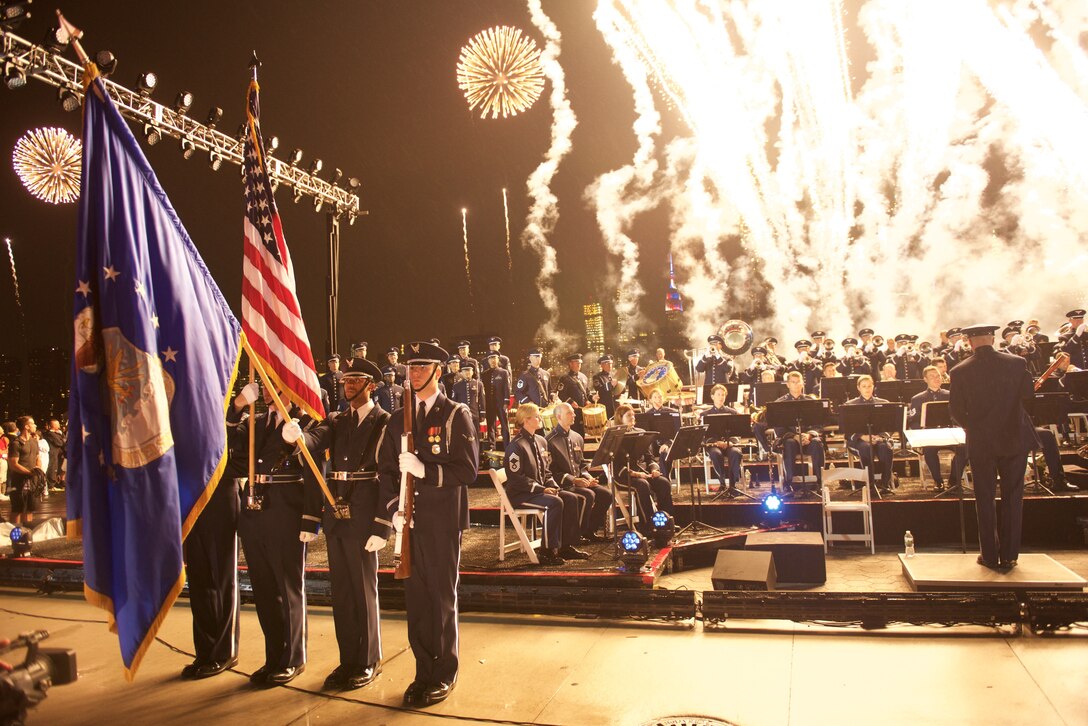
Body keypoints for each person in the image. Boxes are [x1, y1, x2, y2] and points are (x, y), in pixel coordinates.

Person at [376, 341, 479, 707]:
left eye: (422, 367)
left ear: (438, 370)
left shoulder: (454, 413)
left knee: (440, 597)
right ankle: (422, 669)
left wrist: (425, 471)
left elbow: (468, 469)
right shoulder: (396, 418)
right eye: (411, 367)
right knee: (416, 599)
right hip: (410, 523)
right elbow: (386, 470)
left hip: (441, 521)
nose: (413, 373)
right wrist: (393, 508)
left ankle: (444, 671)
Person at [284, 360, 389, 690]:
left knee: (363, 589)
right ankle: (348, 660)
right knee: (341, 592)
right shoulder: (336, 420)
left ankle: (370, 659)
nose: (348, 384)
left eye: (355, 379)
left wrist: (382, 524)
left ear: (370, 385)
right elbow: (316, 441)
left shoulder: (383, 421)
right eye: (346, 380)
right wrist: (297, 436)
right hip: (336, 511)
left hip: (364, 511)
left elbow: (388, 475)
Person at [227, 382, 319, 685]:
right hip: (254, 511)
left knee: (289, 586)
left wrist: (309, 520)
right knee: (264, 588)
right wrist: (238, 406)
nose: (266, 392)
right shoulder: (256, 421)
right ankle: (273, 657)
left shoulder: (305, 423)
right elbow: (226, 439)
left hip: (286, 510)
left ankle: (294, 658)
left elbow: (314, 473)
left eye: (273, 386)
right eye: (263, 386)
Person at [950, 323, 1037, 571]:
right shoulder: (1017, 364)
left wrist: (974, 428)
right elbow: (1029, 398)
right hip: (1013, 438)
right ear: (992, 337)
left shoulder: (959, 371)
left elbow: (956, 411)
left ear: (969, 342)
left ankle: (989, 555)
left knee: (984, 498)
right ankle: (1010, 555)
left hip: (982, 442)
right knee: (1013, 497)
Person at [182, 404, 243, 680]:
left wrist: (236, 409)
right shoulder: (185, 417)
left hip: (220, 496)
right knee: (199, 579)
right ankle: (205, 650)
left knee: (221, 579)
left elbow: (238, 456)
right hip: (192, 500)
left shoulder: (230, 416)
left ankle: (225, 651)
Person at [505, 403, 589, 566]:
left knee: (570, 498)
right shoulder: (515, 446)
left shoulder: (541, 441)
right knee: (555, 502)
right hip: (521, 494)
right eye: (537, 416)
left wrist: (553, 486)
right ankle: (547, 551)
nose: (540, 418)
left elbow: (547, 471)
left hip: (539, 491)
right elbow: (516, 478)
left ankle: (565, 546)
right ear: (526, 420)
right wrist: (543, 489)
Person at [547, 402, 613, 541]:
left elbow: (582, 464)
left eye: (573, 412)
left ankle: (589, 530)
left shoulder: (577, 437)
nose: (574, 415)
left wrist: (588, 478)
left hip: (580, 482)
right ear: (559, 416)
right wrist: (574, 480)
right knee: (588, 495)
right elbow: (551, 471)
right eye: (569, 413)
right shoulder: (549, 440)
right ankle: (577, 535)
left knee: (606, 494)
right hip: (563, 484)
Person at [607, 404, 674, 537]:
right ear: (620, 418)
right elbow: (616, 465)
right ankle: (647, 526)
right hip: (623, 475)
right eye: (628, 415)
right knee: (642, 485)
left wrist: (654, 469)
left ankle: (665, 522)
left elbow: (649, 458)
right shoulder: (615, 435)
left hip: (642, 472)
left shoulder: (640, 432)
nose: (633, 417)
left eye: (633, 415)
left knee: (663, 483)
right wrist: (637, 474)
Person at [908, 365, 965, 492]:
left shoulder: (951, 395)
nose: (936, 379)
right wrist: (921, 431)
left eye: (938, 376)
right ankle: (938, 481)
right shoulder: (917, 399)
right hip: (930, 436)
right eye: (932, 376)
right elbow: (913, 421)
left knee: (964, 449)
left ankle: (954, 481)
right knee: (929, 450)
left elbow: (958, 416)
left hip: (949, 434)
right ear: (925, 379)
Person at [769, 371, 825, 494]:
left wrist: (809, 434)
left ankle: (820, 482)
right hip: (791, 440)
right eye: (793, 382)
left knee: (817, 443)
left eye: (798, 382)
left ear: (802, 384)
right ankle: (788, 483)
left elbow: (819, 424)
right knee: (789, 443)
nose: (796, 385)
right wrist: (795, 436)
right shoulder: (779, 403)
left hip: (808, 439)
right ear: (788, 385)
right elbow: (778, 428)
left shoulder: (811, 401)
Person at [843, 375, 895, 493]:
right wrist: (862, 436)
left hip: (879, 438)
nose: (867, 389)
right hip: (859, 441)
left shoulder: (884, 403)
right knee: (866, 447)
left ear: (873, 387)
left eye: (869, 386)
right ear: (858, 388)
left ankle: (885, 483)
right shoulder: (849, 405)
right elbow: (847, 430)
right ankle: (870, 484)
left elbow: (890, 426)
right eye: (864, 386)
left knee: (886, 448)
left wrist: (881, 437)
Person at [701, 384, 745, 497]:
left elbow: (737, 433)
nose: (721, 397)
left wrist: (729, 443)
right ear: (712, 396)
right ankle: (722, 484)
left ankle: (732, 485)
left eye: (723, 395)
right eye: (718, 394)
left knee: (736, 452)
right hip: (714, 445)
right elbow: (705, 436)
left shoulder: (732, 412)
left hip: (729, 443)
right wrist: (716, 442)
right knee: (716, 453)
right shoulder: (705, 414)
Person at [6, 416, 40, 527]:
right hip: (18, 481)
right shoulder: (16, 443)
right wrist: (29, 472)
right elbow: (13, 464)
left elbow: (37, 457)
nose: (35, 426)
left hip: (32, 481)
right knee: (17, 508)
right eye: (33, 423)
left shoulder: (34, 441)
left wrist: (37, 469)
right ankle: (13, 532)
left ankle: (27, 530)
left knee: (30, 508)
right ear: (26, 426)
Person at [482, 352, 511, 450]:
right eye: (490, 359)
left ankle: (507, 445)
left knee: (504, 425)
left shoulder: (503, 372)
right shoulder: (484, 374)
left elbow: (507, 388)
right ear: (488, 360)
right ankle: (491, 446)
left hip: (501, 403)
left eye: (494, 358)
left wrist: (506, 402)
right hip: (489, 404)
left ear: (498, 359)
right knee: (490, 425)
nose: (493, 360)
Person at [555, 353, 591, 435]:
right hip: (572, 412)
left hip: (583, 411)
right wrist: (571, 402)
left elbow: (587, 393)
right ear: (570, 364)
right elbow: (561, 394)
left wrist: (589, 400)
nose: (579, 364)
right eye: (576, 362)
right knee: (573, 433)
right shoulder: (565, 378)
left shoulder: (583, 377)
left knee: (582, 434)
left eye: (580, 363)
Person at [696, 335, 733, 404]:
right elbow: (699, 369)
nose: (713, 346)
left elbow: (727, 369)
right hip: (709, 391)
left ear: (720, 345)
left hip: (722, 391)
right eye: (711, 344)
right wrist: (705, 356)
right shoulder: (707, 359)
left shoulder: (727, 358)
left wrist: (718, 355)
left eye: (715, 344)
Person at [42, 419, 66, 491]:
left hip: (59, 455)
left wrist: (62, 437)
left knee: (57, 469)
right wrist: (63, 440)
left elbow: (65, 440)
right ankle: (51, 485)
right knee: (52, 468)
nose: (59, 425)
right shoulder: (50, 434)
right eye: (58, 424)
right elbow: (60, 443)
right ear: (54, 425)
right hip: (53, 454)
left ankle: (55, 482)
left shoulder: (59, 433)